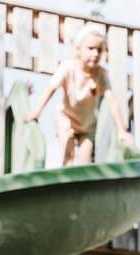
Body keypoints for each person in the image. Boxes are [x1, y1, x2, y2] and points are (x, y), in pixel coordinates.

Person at [25, 24, 131, 165]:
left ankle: (82, 185)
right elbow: (50, 89)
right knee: (68, 151)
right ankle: (66, 179)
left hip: (87, 124)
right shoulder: (68, 67)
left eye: (99, 50)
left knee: (86, 156)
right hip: (66, 117)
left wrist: (121, 130)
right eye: (90, 48)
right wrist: (37, 112)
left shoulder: (101, 74)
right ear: (78, 49)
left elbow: (111, 100)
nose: (95, 54)